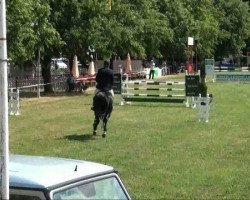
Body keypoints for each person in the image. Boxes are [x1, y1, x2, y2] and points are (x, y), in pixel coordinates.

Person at [91, 60, 114, 138]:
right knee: (112, 97)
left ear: (104, 64)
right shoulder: (111, 71)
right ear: (109, 64)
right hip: (108, 89)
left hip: (100, 88)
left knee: (95, 97)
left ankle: (94, 106)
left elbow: (96, 79)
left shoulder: (100, 70)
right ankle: (111, 107)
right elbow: (112, 81)